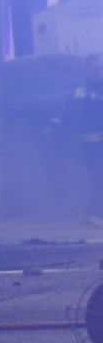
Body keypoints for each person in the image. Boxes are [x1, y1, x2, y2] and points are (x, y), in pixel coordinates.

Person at [65, 54, 103, 224]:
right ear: (87, 70)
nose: (100, 72)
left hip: (95, 144)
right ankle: (95, 215)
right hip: (89, 146)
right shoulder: (80, 90)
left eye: (101, 68)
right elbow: (69, 113)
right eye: (96, 69)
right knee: (96, 178)